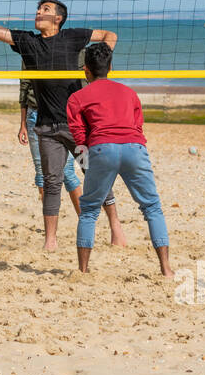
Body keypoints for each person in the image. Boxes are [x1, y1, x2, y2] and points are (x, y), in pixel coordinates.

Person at [0, 0, 125, 252]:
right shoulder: (29, 42)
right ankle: (50, 240)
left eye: (44, 9)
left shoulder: (72, 37)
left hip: (76, 125)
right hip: (47, 126)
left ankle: (115, 226)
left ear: (58, 18)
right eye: (38, 9)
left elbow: (109, 34)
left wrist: (98, 74)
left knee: (94, 173)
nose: (37, 12)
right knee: (52, 182)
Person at [66, 43, 172, 276]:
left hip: (102, 148)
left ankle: (82, 271)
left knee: (89, 210)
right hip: (135, 147)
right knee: (152, 207)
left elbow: (79, 136)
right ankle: (166, 270)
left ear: (86, 70)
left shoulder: (77, 97)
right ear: (111, 67)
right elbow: (138, 125)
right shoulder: (130, 93)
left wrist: (87, 160)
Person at [20, 77, 82, 216]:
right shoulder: (30, 56)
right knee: (42, 173)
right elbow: (24, 88)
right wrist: (22, 123)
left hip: (64, 113)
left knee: (68, 172)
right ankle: (51, 226)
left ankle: (84, 220)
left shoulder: (72, 55)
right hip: (36, 114)